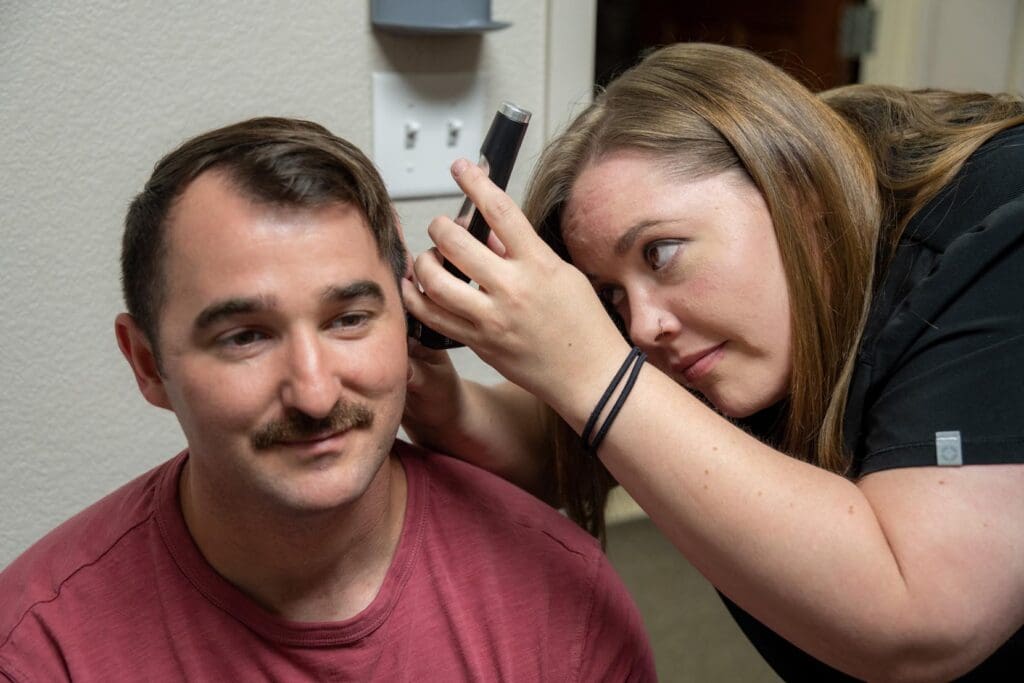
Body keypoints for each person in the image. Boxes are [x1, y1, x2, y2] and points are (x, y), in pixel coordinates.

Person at [401, 43, 1024, 680]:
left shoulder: (1001, 228)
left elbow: (922, 622)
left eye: (661, 254)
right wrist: (440, 400)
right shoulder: (750, 306)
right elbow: (562, 447)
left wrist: (590, 369)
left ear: (796, 189)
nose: (642, 328)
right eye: (612, 298)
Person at [0, 117, 656, 681]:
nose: (314, 393)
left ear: (407, 318)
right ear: (147, 363)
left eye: (348, 319)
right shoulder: (38, 647)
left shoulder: (562, 594)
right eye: (245, 337)